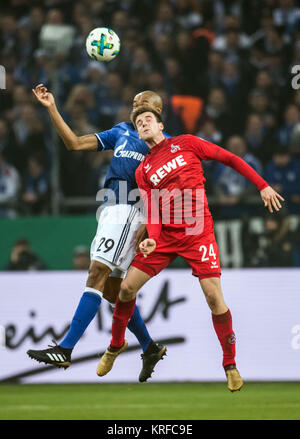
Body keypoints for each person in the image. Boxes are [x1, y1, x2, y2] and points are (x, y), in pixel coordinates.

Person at [97, 107, 284, 392]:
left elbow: (229, 158)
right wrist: (152, 239)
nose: (143, 123)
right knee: (125, 289)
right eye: (138, 122)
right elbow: (155, 213)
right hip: (166, 237)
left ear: (161, 125)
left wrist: (262, 185)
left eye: (148, 119)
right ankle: (115, 345)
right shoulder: (143, 170)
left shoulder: (186, 143)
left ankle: (230, 364)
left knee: (213, 297)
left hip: (197, 233)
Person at [27, 88, 168, 382]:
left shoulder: (161, 144)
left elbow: (167, 189)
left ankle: (65, 349)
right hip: (111, 209)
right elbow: (75, 143)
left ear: (159, 112)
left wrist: (151, 222)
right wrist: (52, 106)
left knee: (96, 273)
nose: (137, 105)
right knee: (112, 291)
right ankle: (149, 346)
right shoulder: (121, 131)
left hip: (130, 210)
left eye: (144, 102)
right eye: (134, 102)